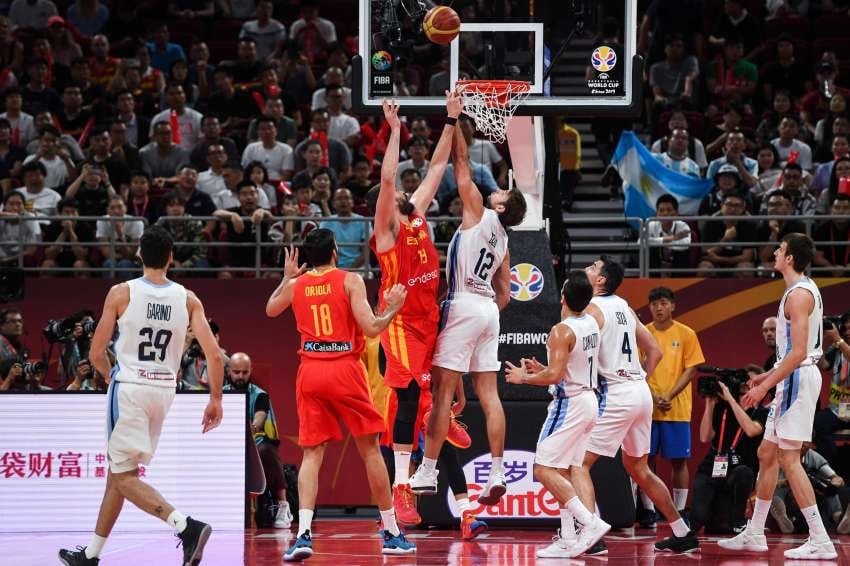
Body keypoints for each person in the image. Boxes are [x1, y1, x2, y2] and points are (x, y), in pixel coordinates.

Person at [57, 225, 224, 566]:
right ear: (172, 258)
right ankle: (91, 554)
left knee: (122, 475)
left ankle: (185, 526)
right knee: (120, 473)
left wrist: (107, 375)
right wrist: (216, 399)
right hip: (163, 390)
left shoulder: (122, 292)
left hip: (130, 386)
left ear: (138, 255)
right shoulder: (188, 298)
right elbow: (216, 355)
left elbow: (96, 351)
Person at [265, 230, 415, 560]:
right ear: (335, 251)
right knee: (370, 451)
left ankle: (302, 532)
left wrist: (286, 278)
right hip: (345, 369)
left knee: (312, 455)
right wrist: (394, 308)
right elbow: (373, 327)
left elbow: (270, 310)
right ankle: (390, 531)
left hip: (311, 371)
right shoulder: (350, 280)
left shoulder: (296, 285)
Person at [409, 117, 527, 505]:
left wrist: (454, 119)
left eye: (503, 193)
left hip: (463, 303)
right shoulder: (505, 240)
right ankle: (496, 472)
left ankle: (427, 470)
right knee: (489, 395)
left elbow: (460, 163)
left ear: (502, 205)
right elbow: (506, 293)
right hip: (490, 312)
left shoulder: (480, 211)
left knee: (442, 394)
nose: (498, 192)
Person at [365, 95, 460, 526]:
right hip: (401, 323)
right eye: (396, 190)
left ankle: (436, 421)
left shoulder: (417, 212)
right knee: (409, 396)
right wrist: (395, 128)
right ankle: (402, 488)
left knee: (432, 389)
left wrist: (452, 119)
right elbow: (387, 179)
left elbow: (438, 168)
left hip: (429, 316)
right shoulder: (387, 232)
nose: (404, 187)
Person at [719, 233, 837, 560]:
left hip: (798, 379)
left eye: (780, 249)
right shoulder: (799, 290)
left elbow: (798, 353)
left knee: (789, 459)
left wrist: (764, 386)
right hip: (793, 377)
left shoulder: (798, 295)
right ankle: (755, 532)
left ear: (790, 258)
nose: (774, 252)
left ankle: (820, 537)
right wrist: (768, 377)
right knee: (767, 454)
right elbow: (793, 353)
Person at [570, 256, 698, 555]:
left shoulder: (592, 309)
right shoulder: (625, 307)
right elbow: (653, 350)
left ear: (600, 280)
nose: (587, 270)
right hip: (639, 391)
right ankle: (682, 531)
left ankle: (592, 535)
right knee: (639, 467)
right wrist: (640, 378)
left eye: (593, 268)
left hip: (615, 393)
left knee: (578, 463)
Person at [504, 270, 609, 558]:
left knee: (543, 469)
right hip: (588, 400)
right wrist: (545, 369)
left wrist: (523, 377)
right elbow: (565, 368)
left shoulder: (561, 331)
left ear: (562, 296)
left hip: (570, 404)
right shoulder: (591, 322)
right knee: (562, 469)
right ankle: (567, 537)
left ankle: (589, 522)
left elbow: (555, 375)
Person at [643, 287, 705, 525]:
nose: (659, 308)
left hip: (676, 409)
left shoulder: (686, 334)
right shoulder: (644, 334)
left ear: (672, 306)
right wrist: (654, 395)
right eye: (654, 304)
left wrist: (668, 395)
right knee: (644, 461)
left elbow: (691, 369)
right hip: (647, 408)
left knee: (679, 461)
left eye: (663, 303)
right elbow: (636, 369)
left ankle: (680, 511)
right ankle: (648, 511)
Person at [691, 374, 767, 534]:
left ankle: (738, 521)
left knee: (744, 473)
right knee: (697, 521)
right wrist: (710, 404)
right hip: (713, 465)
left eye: (752, 384)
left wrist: (732, 401)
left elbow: (751, 430)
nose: (747, 387)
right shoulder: (722, 408)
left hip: (738, 469)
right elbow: (704, 437)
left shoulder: (761, 413)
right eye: (746, 383)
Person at [224, 352, 292, 529]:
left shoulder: (260, 394)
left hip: (256, 442)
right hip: (227, 444)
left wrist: (250, 428)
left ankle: (283, 506)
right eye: (236, 372)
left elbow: (260, 418)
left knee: (266, 451)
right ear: (229, 371)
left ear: (250, 371)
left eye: (244, 372)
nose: (240, 376)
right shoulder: (221, 394)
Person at [814, 312, 850, 465]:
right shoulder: (837, 347)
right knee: (815, 424)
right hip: (837, 409)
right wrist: (818, 341)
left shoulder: (839, 343)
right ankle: (831, 468)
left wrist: (837, 339)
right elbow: (823, 365)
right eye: (845, 328)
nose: (847, 332)